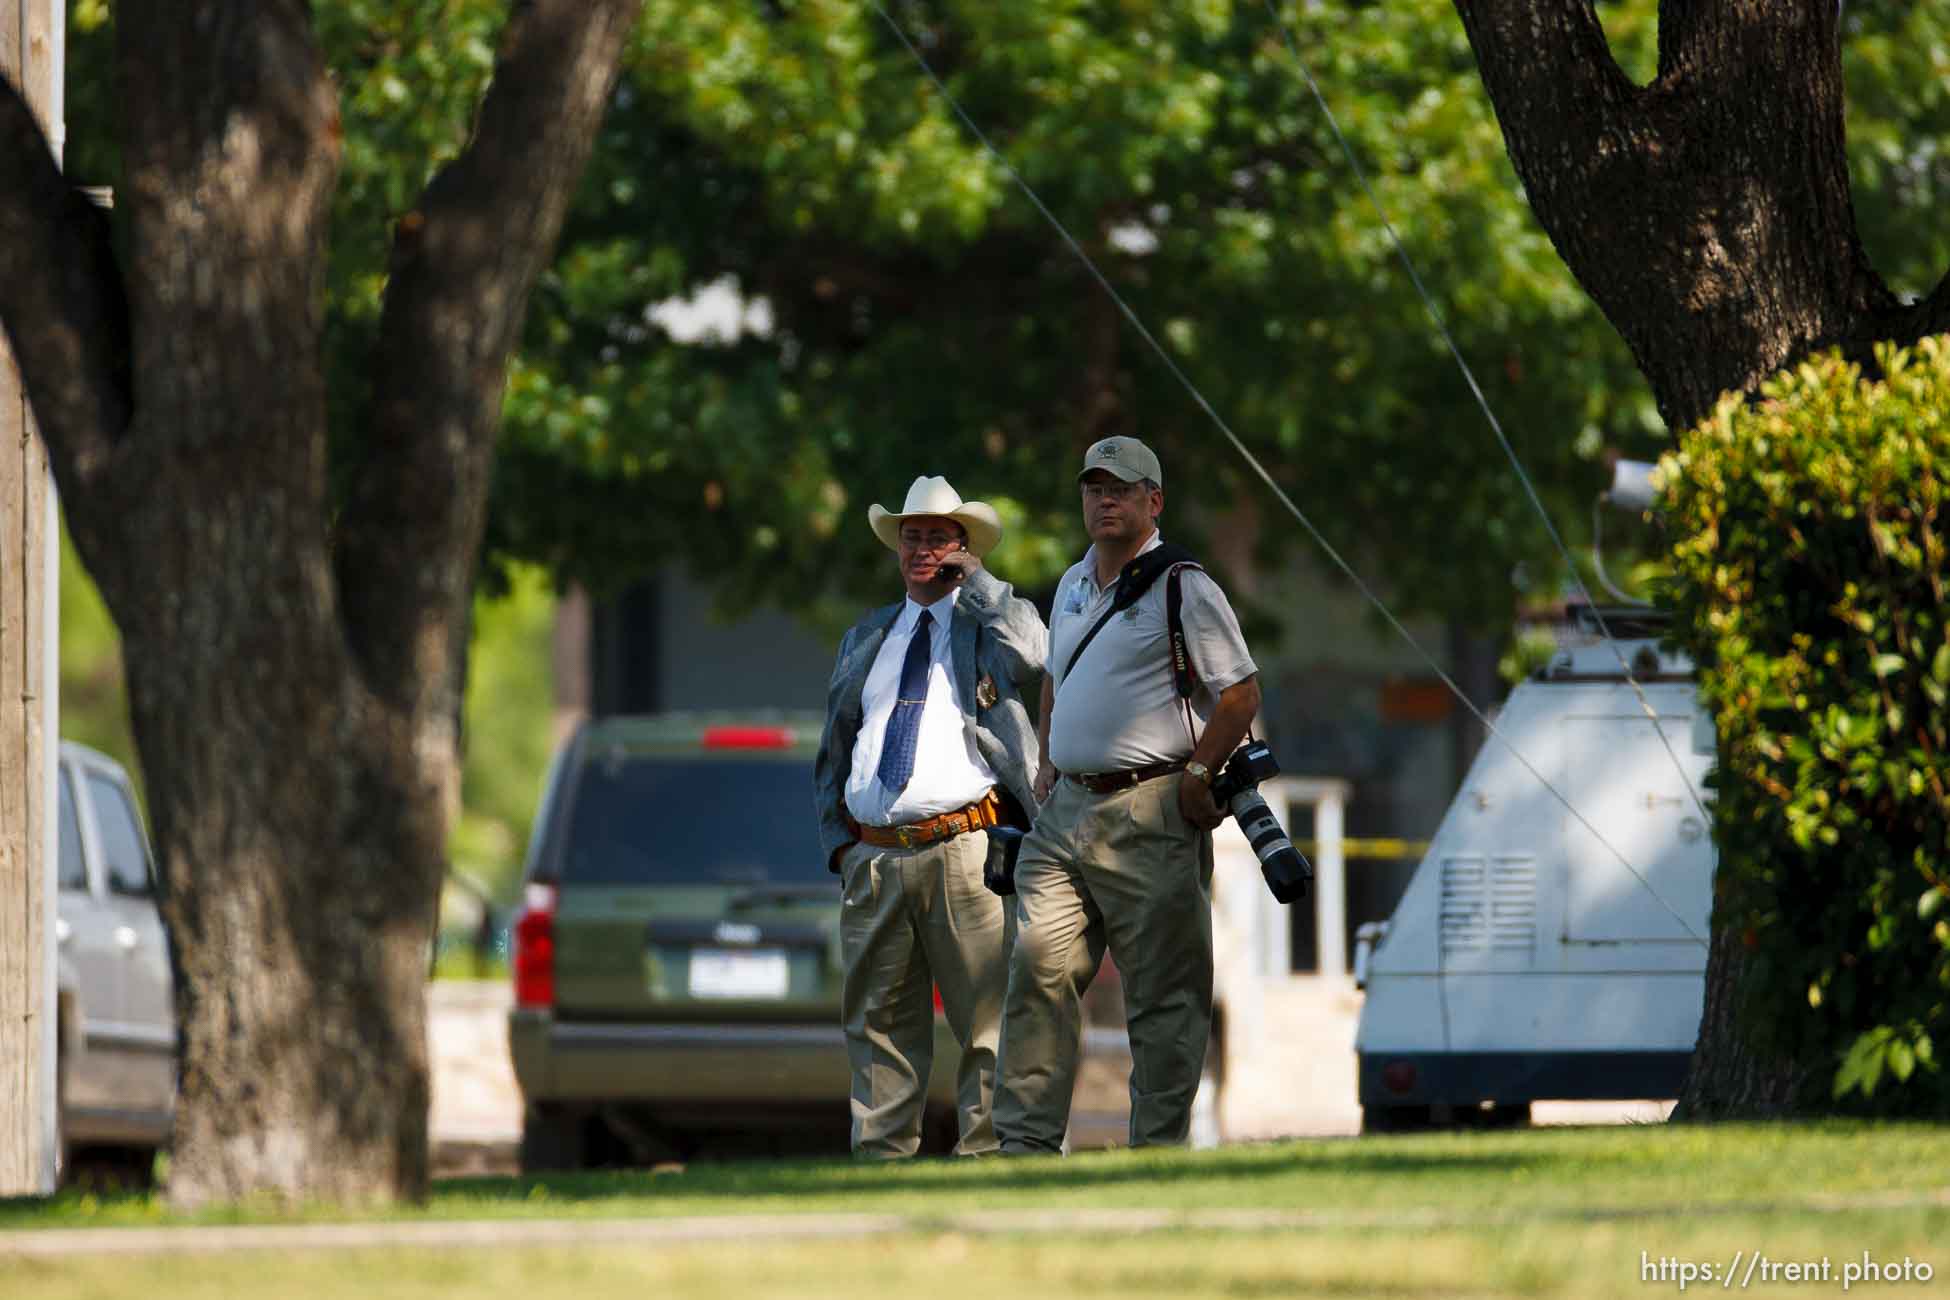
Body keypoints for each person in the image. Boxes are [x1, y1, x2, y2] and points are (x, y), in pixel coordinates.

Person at [994, 435, 1262, 1152]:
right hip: (1066, 810)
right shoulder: (1072, 583)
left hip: (1150, 805)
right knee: (1036, 973)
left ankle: (1156, 1155)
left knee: (1164, 999)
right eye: (1094, 487)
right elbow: (1056, 678)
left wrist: (1199, 775)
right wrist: (1046, 759)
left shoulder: (1185, 586)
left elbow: (1240, 694)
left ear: (1155, 500)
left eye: (1121, 488)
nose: (1105, 500)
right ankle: (1021, 1151)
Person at [814, 474, 1047, 1157]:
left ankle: (990, 1163)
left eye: (939, 538)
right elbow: (835, 744)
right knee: (877, 1028)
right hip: (873, 855)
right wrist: (841, 844)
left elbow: (1036, 654)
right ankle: (879, 1166)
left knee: (988, 1024)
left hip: (964, 847)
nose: (922, 549)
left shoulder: (987, 624)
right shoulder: (868, 635)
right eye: (911, 536)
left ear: (964, 546)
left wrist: (978, 581)